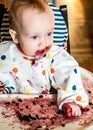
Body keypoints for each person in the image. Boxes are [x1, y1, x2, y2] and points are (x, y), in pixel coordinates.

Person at [0, 0, 88, 117]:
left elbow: (69, 75)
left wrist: (70, 101)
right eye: (35, 37)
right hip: (11, 110)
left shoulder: (55, 55)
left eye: (49, 34)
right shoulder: (5, 53)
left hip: (49, 109)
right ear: (15, 36)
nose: (44, 43)